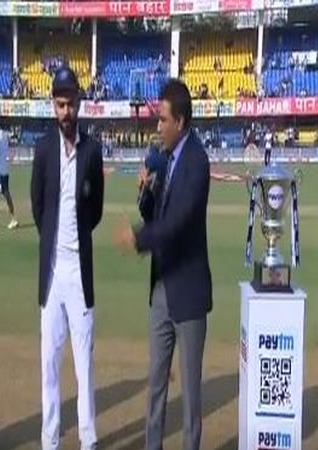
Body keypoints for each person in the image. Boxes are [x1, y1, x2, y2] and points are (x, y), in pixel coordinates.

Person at [114, 79, 212, 450]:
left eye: (163, 120)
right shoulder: (166, 160)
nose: (157, 127)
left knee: (189, 396)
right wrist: (146, 191)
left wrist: (138, 238)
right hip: (160, 293)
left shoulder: (197, 163)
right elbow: (156, 214)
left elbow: (179, 222)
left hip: (187, 295)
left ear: (181, 122)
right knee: (155, 386)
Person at [30, 66, 104, 450]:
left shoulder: (92, 151)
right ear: (53, 105)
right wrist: (54, 245)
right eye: (60, 105)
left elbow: (96, 210)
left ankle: (88, 440)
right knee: (49, 365)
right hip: (52, 271)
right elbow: (37, 205)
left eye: (71, 104)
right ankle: (50, 441)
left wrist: (75, 242)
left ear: (79, 103)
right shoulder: (43, 149)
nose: (66, 111)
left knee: (84, 364)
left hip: (80, 271)